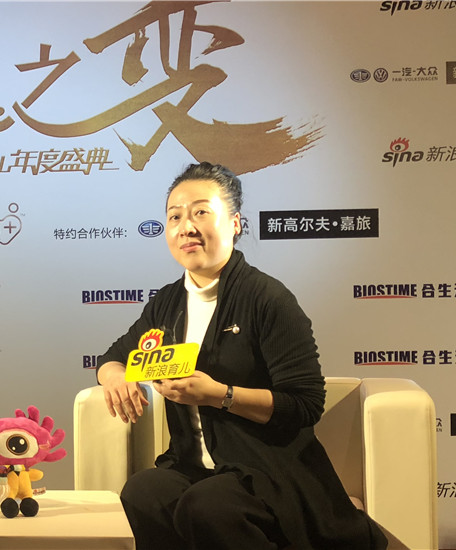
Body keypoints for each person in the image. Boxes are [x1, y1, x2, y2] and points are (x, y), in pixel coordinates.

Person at [96, 162, 387, 550]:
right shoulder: (166, 303)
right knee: (143, 491)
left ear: (234, 223)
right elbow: (113, 356)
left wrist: (219, 395)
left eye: (201, 212)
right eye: (175, 216)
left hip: (268, 470)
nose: (186, 227)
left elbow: (305, 404)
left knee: (209, 506)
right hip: (193, 466)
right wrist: (115, 376)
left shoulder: (267, 299)